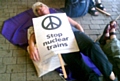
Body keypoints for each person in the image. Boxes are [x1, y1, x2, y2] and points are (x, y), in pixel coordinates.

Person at [27, 2, 117, 81]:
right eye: (37, 10)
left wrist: (82, 33)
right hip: (60, 43)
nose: (40, 10)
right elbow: (33, 35)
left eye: (41, 6)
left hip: (74, 35)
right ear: (37, 14)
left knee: (92, 47)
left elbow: (76, 24)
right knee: (77, 65)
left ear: (46, 7)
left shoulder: (60, 14)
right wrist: (31, 45)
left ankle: (109, 73)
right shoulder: (39, 23)